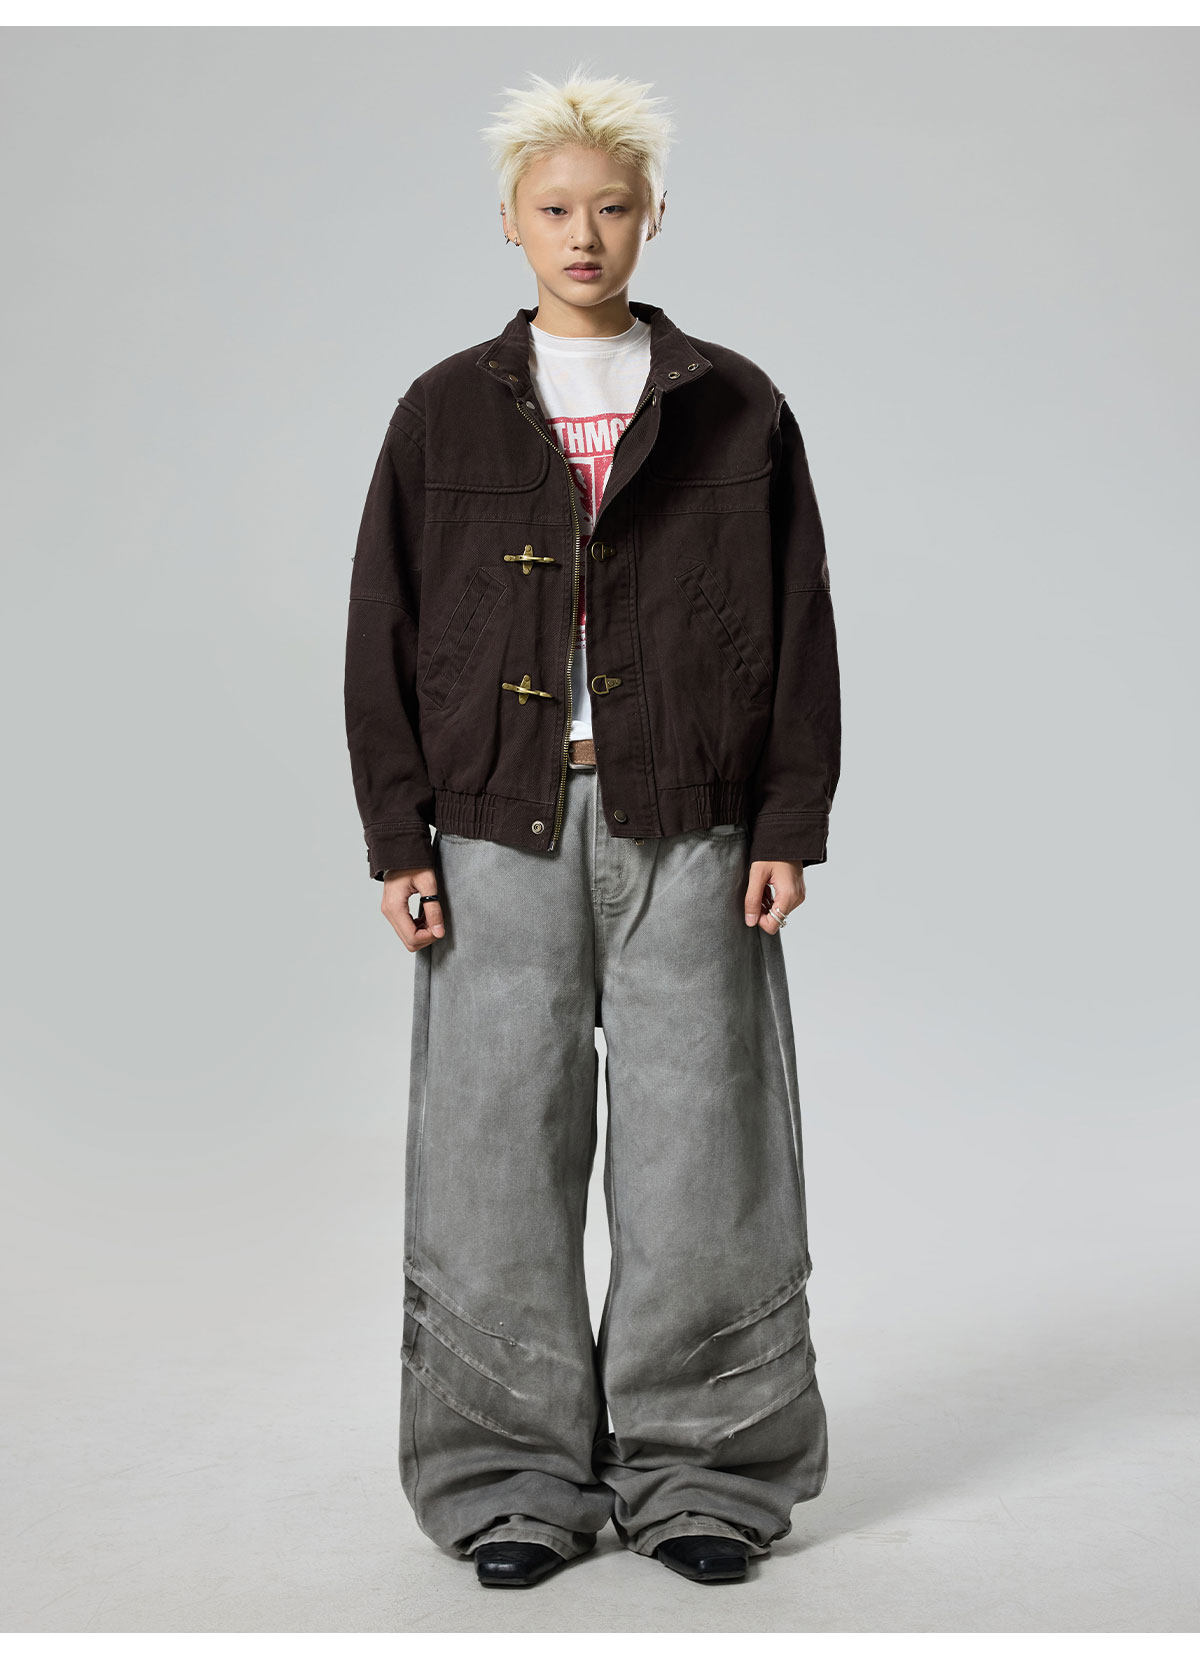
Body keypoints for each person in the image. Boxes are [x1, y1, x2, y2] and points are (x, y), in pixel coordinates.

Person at [343, 66, 842, 1591]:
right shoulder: (443, 410)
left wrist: (789, 819)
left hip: (691, 818)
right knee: (494, 1155)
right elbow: (381, 627)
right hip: (495, 823)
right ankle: (509, 1482)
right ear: (509, 222)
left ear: (653, 218)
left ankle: (706, 1476)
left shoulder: (735, 403)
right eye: (555, 208)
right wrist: (399, 837)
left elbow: (801, 624)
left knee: (706, 1153)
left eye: (612, 208)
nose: (584, 234)